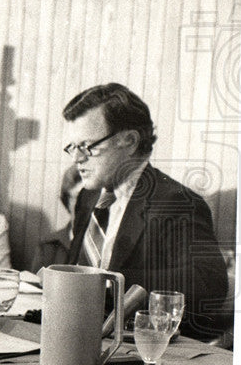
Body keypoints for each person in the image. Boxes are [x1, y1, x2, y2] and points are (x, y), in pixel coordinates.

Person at [63, 83, 229, 341]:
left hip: (142, 348)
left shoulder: (177, 202)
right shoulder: (89, 197)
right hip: (77, 334)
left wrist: (106, 284)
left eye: (87, 146)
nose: (77, 159)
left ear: (129, 141)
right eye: (72, 147)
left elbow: (207, 284)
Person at [30, 166, 83, 272]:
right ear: (66, 200)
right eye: (79, 197)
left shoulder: (101, 247)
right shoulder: (49, 245)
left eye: (92, 198)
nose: (86, 204)